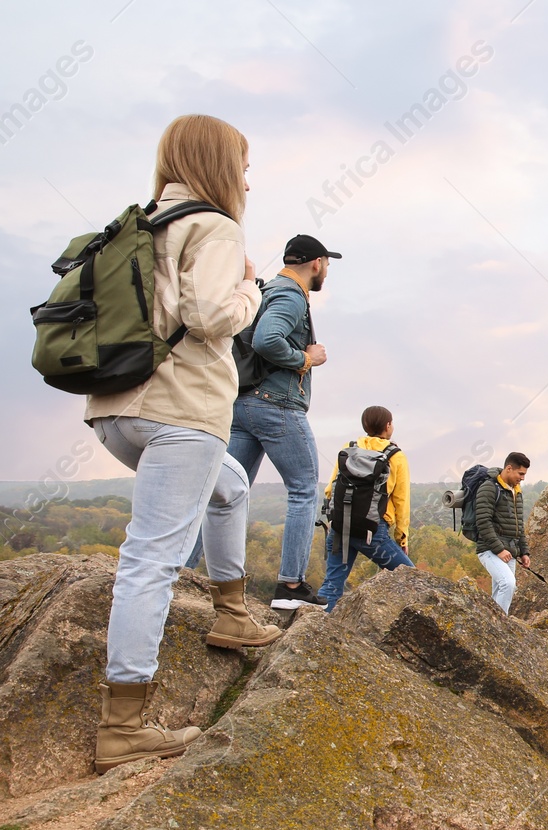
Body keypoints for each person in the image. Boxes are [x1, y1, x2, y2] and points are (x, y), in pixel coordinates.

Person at [84, 114, 282, 773]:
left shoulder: (144, 223)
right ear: (220, 165)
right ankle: (123, 724)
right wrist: (253, 287)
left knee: (228, 484)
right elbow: (212, 316)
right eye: (244, 166)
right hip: (181, 412)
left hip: (116, 409)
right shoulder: (217, 226)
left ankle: (231, 610)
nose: (248, 181)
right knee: (151, 559)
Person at [214, 232, 342, 610]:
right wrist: (306, 359)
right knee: (304, 488)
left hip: (243, 404)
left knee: (226, 493)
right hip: (276, 404)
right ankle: (290, 587)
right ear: (316, 263)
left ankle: (190, 574)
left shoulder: (265, 290)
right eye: (327, 265)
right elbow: (267, 340)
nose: (326, 272)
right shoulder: (289, 295)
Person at [316, 405, 412, 611]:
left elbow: (330, 488)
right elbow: (401, 501)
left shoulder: (348, 447)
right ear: (388, 426)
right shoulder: (395, 455)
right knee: (412, 580)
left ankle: (312, 631)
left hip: (341, 526)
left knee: (332, 585)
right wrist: (402, 538)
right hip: (373, 531)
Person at [473, 452, 531, 613]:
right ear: (509, 468)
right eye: (520, 473)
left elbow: (519, 525)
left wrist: (524, 552)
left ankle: (490, 627)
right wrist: (499, 549)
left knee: (501, 591)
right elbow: (483, 522)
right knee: (508, 583)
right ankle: (498, 628)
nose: (523, 478)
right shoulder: (489, 488)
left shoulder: (516, 491)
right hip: (490, 549)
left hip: (510, 551)